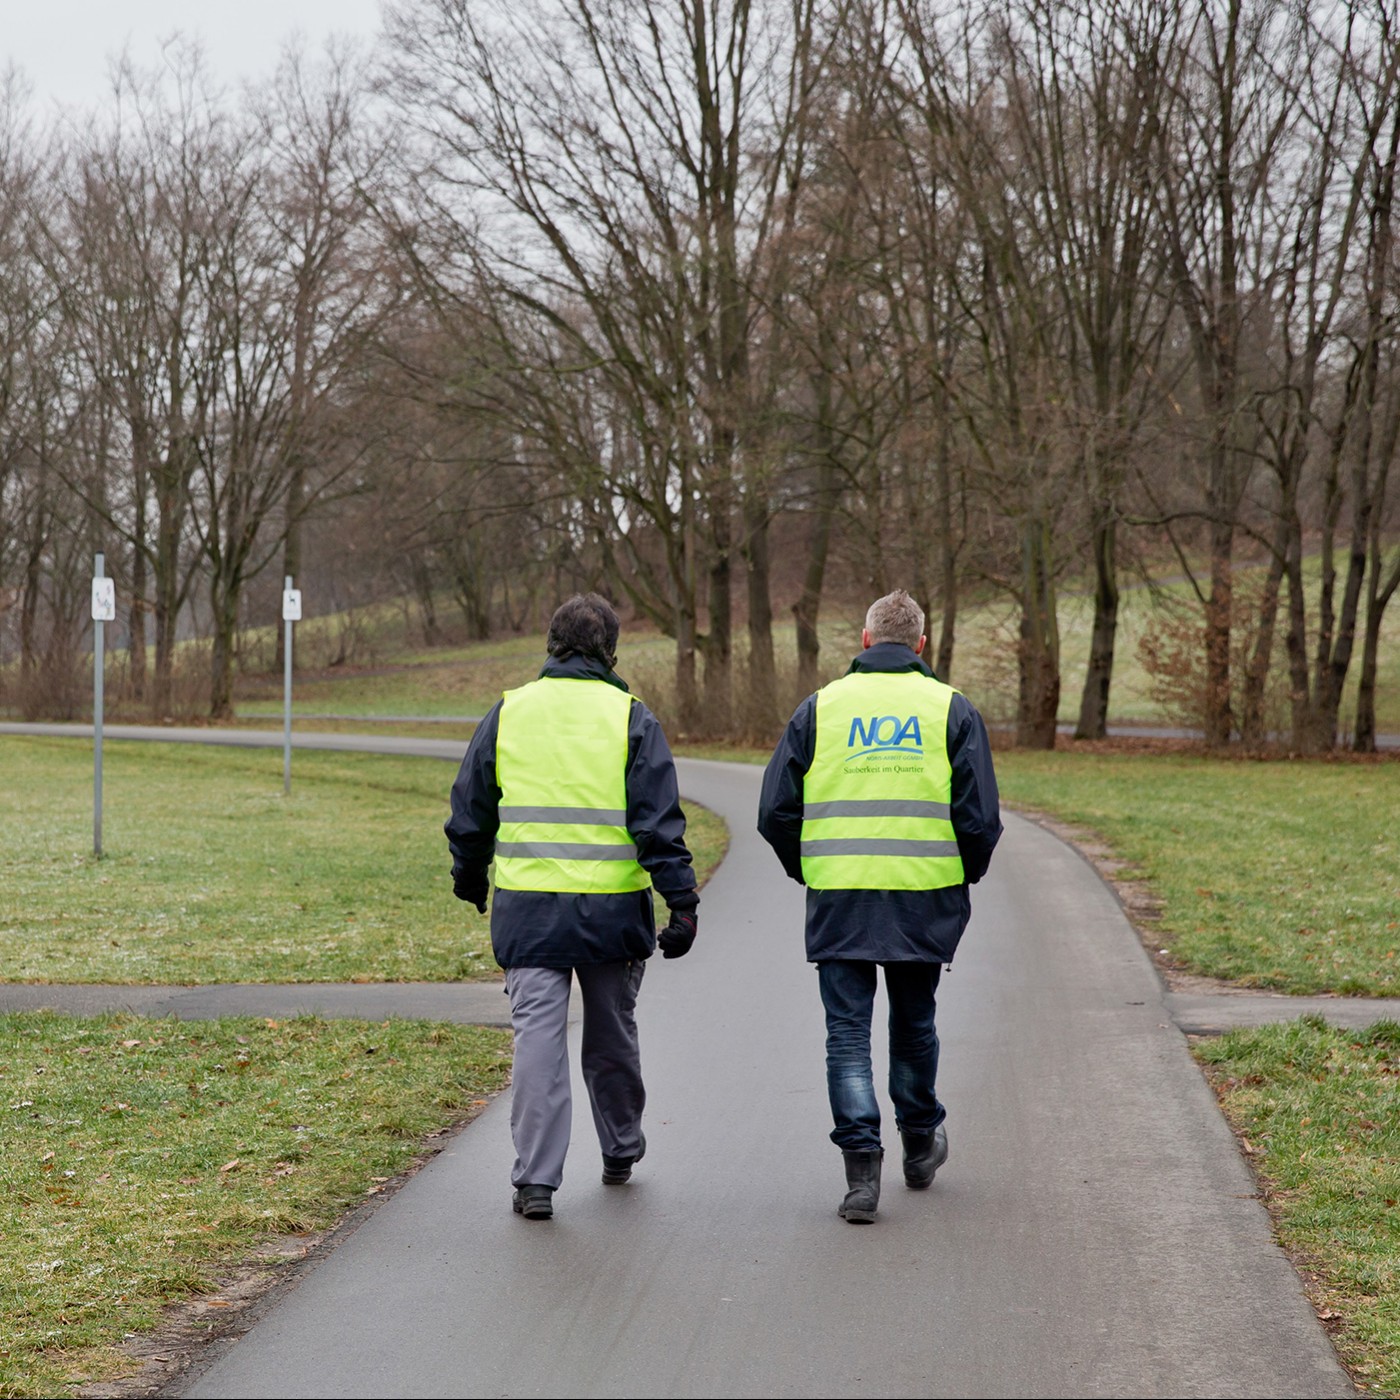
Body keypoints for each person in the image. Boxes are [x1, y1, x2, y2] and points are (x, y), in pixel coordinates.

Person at [445, 593, 699, 1221]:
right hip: (612, 913)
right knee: (611, 1033)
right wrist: (681, 901)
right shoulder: (631, 717)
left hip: (529, 912)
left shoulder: (509, 713)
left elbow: (471, 811)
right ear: (610, 652)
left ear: (551, 645)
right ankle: (621, 1148)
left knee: (537, 1040)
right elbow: (658, 822)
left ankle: (536, 1181)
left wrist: (470, 878)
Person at [757, 589, 1001, 1223]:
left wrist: (808, 868)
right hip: (923, 895)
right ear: (921, 645)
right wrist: (961, 877)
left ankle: (861, 1177)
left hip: (840, 894)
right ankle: (920, 1143)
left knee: (847, 1035)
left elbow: (774, 812)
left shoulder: (820, 709)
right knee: (914, 1025)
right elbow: (980, 820)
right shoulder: (953, 710)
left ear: (865, 641)